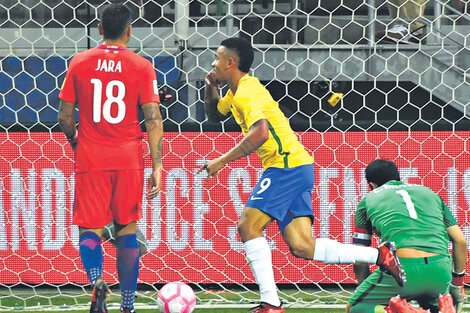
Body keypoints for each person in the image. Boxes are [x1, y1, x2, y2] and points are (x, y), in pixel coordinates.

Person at [199, 37, 406, 313]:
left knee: (248, 226)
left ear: (230, 63)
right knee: (302, 246)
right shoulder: (235, 93)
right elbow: (214, 115)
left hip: (285, 167)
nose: (213, 62)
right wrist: (210, 89)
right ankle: (379, 255)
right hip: (298, 166)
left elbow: (260, 133)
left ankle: (271, 302)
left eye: (217, 57)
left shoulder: (249, 92)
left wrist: (221, 161)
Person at [58, 4, 163, 313]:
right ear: (129, 31)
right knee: (126, 231)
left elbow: (65, 115)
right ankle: (127, 306)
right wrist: (157, 165)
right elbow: (153, 118)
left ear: (100, 30)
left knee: (89, 230)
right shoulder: (142, 66)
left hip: (92, 156)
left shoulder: (80, 62)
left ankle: (96, 281)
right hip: (129, 158)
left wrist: (76, 141)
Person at [347, 159, 467, 313]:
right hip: (439, 269)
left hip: (401, 269)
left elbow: (360, 257)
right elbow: (460, 240)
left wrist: (364, 290)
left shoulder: (367, 200)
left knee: (356, 308)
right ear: (398, 178)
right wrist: (457, 284)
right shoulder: (430, 193)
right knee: (435, 306)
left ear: (372, 185)